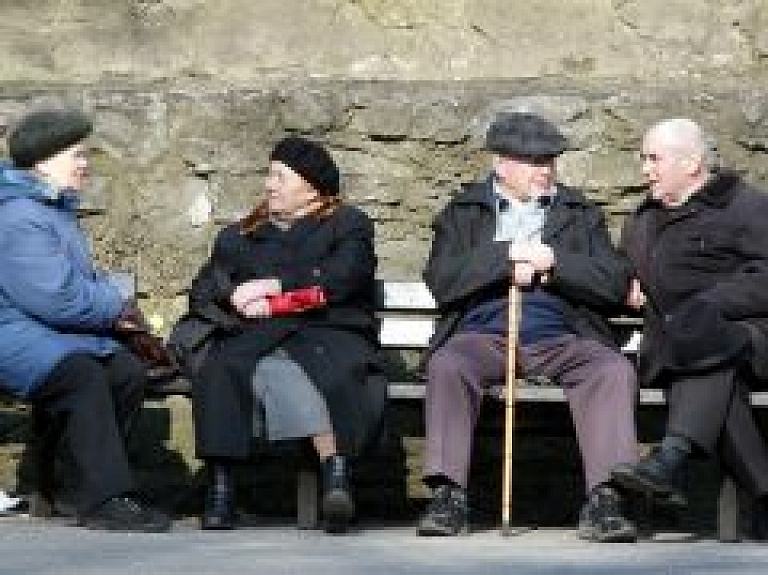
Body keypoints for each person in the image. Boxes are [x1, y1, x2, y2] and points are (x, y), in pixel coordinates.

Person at [418, 111, 638, 542]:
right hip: (484, 335)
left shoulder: (580, 213)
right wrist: (505, 259)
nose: (545, 171)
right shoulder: (463, 213)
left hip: (563, 334)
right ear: (501, 165)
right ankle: (447, 495)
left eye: (550, 161)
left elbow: (612, 282)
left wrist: (555, 263)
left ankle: (606, 497)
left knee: (612, 371)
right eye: (534, 162)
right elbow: (442, 280)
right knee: (448, 366)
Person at [186, 136, 386, 533]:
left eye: (280, 176)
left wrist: (277, 288)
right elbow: (205, 289)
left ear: (311, 186)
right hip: (256, 334)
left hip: (330, 329)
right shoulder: (239, 234)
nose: (269, 184)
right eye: (269, 175)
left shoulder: (348, 224)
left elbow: (347, 276)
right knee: (222, 368)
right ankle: (222, 494)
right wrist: (235, 299)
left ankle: (337, 479)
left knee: (330, 372)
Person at [0, 108, 170, 532]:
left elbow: (70, 290)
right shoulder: (20, 217)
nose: (85, 164)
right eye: (76, 155)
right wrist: (116, 308)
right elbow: (53, 296)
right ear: (43, 162)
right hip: (14, 334)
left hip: (48, 332)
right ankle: (104, 499)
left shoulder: (52, 209)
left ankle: (75, 479)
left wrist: (111, 309)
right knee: (82, 376)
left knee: (125, 371)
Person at [613, 118, 768, 539]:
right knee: (716, 379)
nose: (645, 169)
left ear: (692, 163)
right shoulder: (643, 218)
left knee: (709, 344)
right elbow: (623, 268)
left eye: (654, 159)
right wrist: (625, 279)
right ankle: (759, 495)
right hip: (675, 347)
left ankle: (672, 457)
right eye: (643, 158)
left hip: (749, 336)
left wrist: (713, 302)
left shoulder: (746, 207)